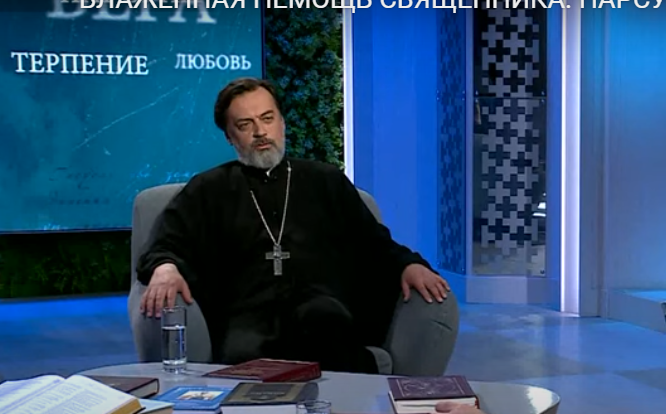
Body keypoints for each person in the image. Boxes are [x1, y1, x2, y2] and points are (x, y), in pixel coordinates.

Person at [137, 77, 451, 374]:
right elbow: (166, 243)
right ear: (229, 136)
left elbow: (374, 243)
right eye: (245, 125)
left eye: (267, 118)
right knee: (244, 355)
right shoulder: (207, 189)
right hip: (246, 318)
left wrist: (408, 264)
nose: (260, 132)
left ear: (282, 123)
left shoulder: (326, 180)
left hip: (324, 313)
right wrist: (165, 268)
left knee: (333, 334)